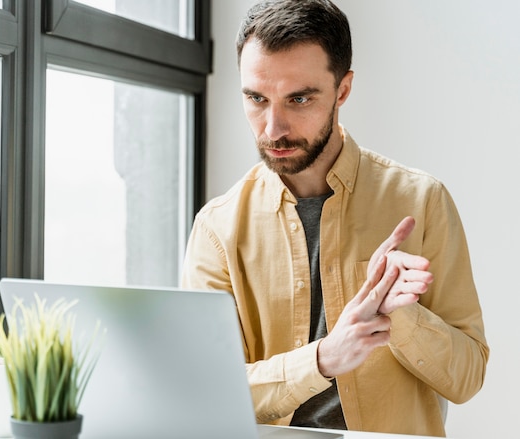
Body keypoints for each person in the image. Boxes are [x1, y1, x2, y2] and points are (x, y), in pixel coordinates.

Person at [181, 0, 489, 436]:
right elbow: (206, 392)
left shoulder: (422, 202)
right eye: (256, 98)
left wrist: (400, 317)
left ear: (342, 91)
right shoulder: (217, 228)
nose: (273, 128)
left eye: (299, 98)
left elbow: (468, 378)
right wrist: (323, 358)